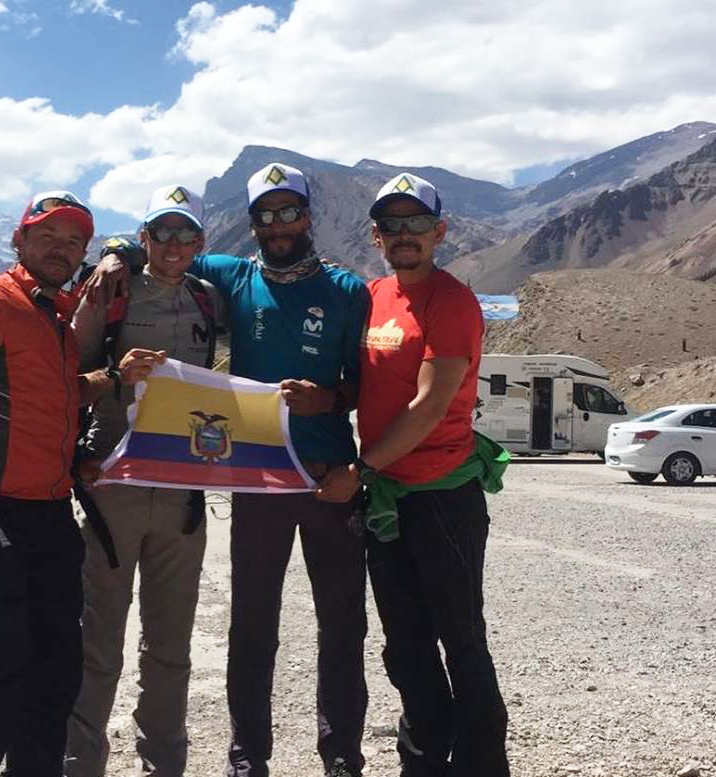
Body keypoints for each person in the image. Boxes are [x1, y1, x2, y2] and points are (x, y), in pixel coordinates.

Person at [91, 163, 370, 777]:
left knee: (343, 622)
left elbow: (366, 387)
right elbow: (159, 252)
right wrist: (114, 250)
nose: (277, 225)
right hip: (259, 479)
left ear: (307, 214)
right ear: (251, 225)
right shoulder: (231, 277)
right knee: (252, 624)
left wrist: (330, 404)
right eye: (264, 216)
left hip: (330, 478)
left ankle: (343, 756)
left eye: (288, 211)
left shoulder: (349, 290)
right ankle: (248, 759)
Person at [0, 191, 163, 777]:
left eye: (72, 241)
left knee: (55, 665)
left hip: (53, 515)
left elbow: (55, 397)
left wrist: (111, 376)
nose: (60, 249)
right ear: (19, 241)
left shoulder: (53, 314)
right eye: (47, 236)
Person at [317, 173, 510, 777]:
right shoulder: (374, 295)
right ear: (376, 235)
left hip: (441, 496)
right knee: (405, 643)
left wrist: (360, 468)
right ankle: (424, 758)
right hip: (389, 499)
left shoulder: (451, 301)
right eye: (392, 226)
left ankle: (483, 765)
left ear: (439, 232)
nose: (404, 235)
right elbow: (370, 385)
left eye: (416, 224)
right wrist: (321, 400)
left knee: (462, 640)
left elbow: (430, 405)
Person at [64, 185, 224, 777]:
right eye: (162, 232)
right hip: (113, 483)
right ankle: (79, 764)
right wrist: (113, 373)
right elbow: (68, 374)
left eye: (186, 233)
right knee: (97, 640)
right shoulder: (109, 289)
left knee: (171, 644)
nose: (174, 244)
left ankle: (165, 765)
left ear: (201, 242)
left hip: (183, 488)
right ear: (144, 237)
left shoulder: (210, 298)